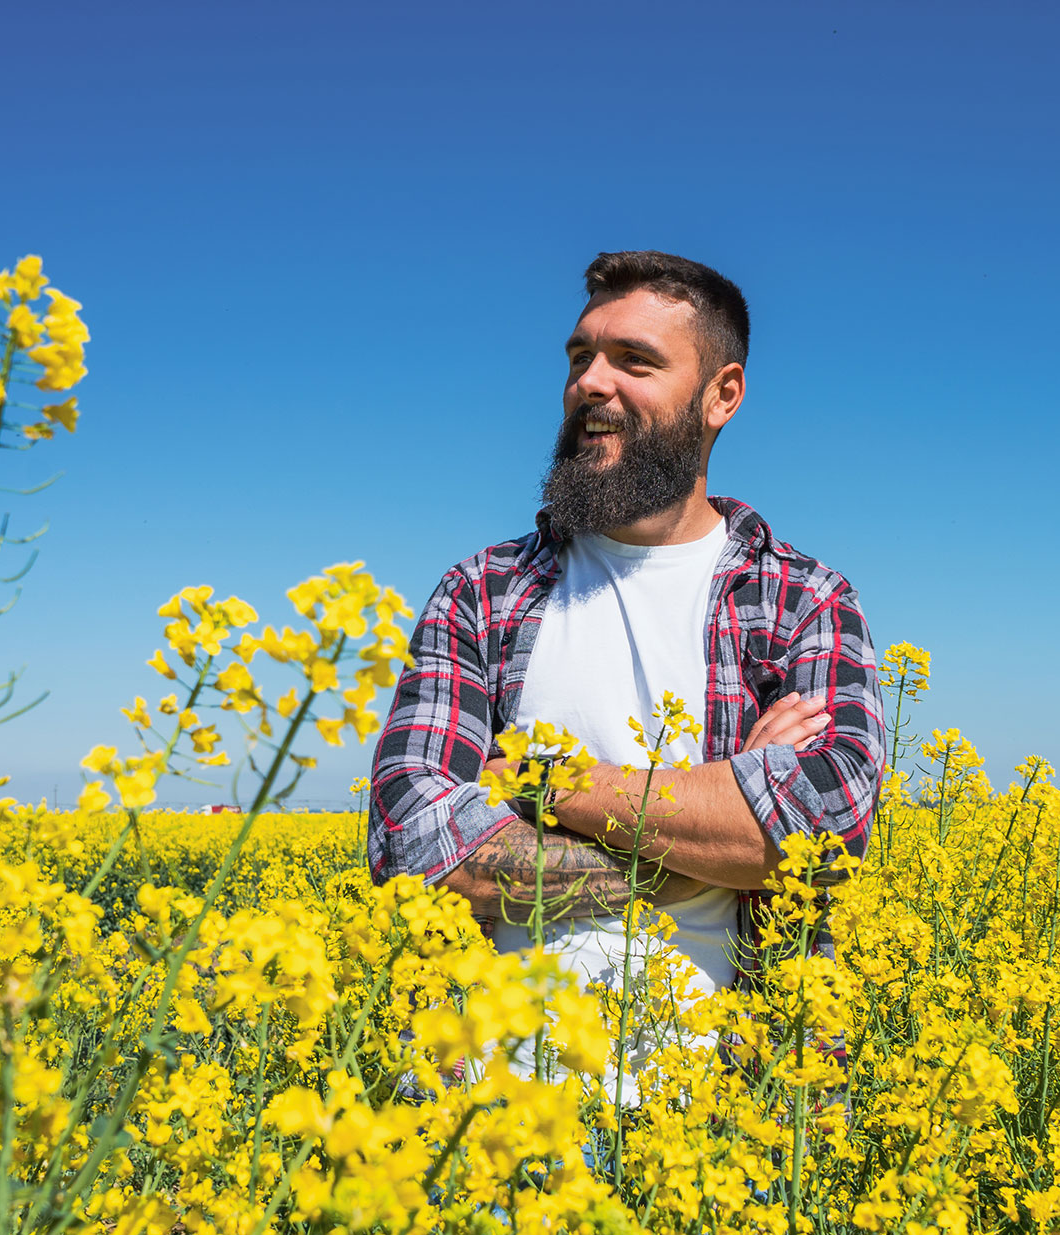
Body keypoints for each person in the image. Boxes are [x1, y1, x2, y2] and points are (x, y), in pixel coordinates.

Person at [367, 250, 887, 1044]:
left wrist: (543, 782)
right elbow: (413, 845)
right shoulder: (481, 592)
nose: (590, 383)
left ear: (722, 395)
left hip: (738, 1126)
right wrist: (710, 836)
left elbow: (821, 833)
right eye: (581, 357)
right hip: (484, 1129)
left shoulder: (800, 599)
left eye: (634, 361)